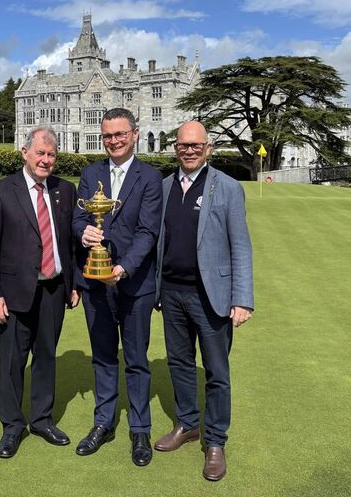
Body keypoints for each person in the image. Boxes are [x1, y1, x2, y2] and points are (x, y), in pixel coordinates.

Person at [153, 121, 254, 482]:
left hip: (212, 296)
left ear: (208, 148)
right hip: (171, 293)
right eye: (184, 145)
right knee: (179, 364)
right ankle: (187, 424)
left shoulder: (227, 187)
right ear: (175, 148)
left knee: (217, 373)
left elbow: (240, 246)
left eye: (196, 145)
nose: (190, 151)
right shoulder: (164, 187)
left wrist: (242, 299)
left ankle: (215, 442)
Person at [0, 126, 81, 459]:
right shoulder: (0, 191)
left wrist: (74, 283)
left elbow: (69, 243)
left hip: (54, 289)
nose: (46, 160)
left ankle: (41, 420)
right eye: (41, 153)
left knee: (46, 357)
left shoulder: (65, 190)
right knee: (12, 362)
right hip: (13, 293)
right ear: (25, 153)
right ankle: (12, 426)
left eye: (52, 155)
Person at [72, 108, 163, 466]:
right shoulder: (90, 173)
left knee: (137, 360)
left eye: (120, 134)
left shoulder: (150, 177)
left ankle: (140, 429)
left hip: (134, 283)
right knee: (103, 356)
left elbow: (148, 232)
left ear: (134, 134)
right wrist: (84, 232)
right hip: (95, 283)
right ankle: (104, 422)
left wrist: (122, 269)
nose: (113, 141)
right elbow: (78, 218)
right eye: (108, 135)